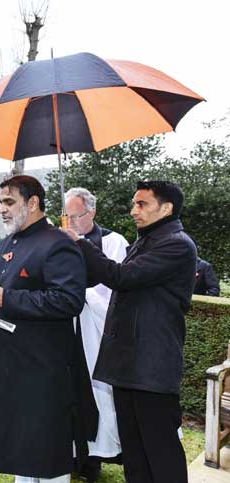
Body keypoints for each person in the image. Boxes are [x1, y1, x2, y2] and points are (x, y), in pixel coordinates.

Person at [63, 180, 196, 483]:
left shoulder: (177, 244)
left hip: (152, 368)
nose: (134, 210)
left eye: (142, 204)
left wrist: (79, 242)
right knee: (135, 455)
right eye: (135, 203)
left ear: (167, 208)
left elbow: (120, 276)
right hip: (128, 365)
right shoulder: (145, 241)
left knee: (160, 454)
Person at [0, 175, 86, 483]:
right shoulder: (5, 244)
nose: (1, 209)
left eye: (9, 202)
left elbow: (69, 301)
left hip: (43, 369)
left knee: (45, 454)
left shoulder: (58, 244)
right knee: (20, 453)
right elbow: (5, 296)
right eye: (0, 202)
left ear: (32, 203)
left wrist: (7, 297)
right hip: (9, 365)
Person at [64, 187, 129, 482]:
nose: (71, 222)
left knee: (98, 395)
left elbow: (116, 288)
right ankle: (72, 453)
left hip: (96, 332)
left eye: (76, 215)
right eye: (67, 215)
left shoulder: (113, 242)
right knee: (69, 393)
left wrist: (84, 293)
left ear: (93, 213)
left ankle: (98, 457)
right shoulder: (59, 240)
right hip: (67, 330)